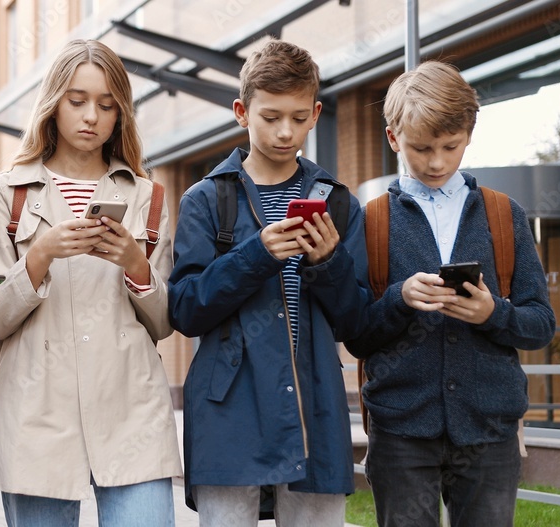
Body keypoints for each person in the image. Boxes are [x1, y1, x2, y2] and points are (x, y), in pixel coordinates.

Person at [0, 39, 181, 526]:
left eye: (107, 105)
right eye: (77, 101)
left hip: (132, 412)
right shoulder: (6, 194)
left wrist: (135, 263)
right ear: (53, 103)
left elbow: (165, 322)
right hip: (35, 413)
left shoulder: (148, 196)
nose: (91, 116)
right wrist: (40, 255)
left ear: (120, 114)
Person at [344, 60, 556, 527]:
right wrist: (399, 298)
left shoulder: (505, 215)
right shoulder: (371, 221)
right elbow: (356, 335)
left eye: (450, 146)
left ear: (469, 134)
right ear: (393, 138)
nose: (436, 161)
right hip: (400, 431)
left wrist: (492, 313)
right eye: (421, 148)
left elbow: (540, 324)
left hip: (489, 430)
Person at [168, 39, 370, 526]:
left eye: (299, 118)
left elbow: (360, 325)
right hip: (228, 415)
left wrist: (328, 263)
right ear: (242, 111)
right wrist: (255, 254)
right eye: (271, 116)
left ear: (317, 112)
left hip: (313, 410)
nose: (286, 131)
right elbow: (185, 311)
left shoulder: (338, 203)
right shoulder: (206, 200)